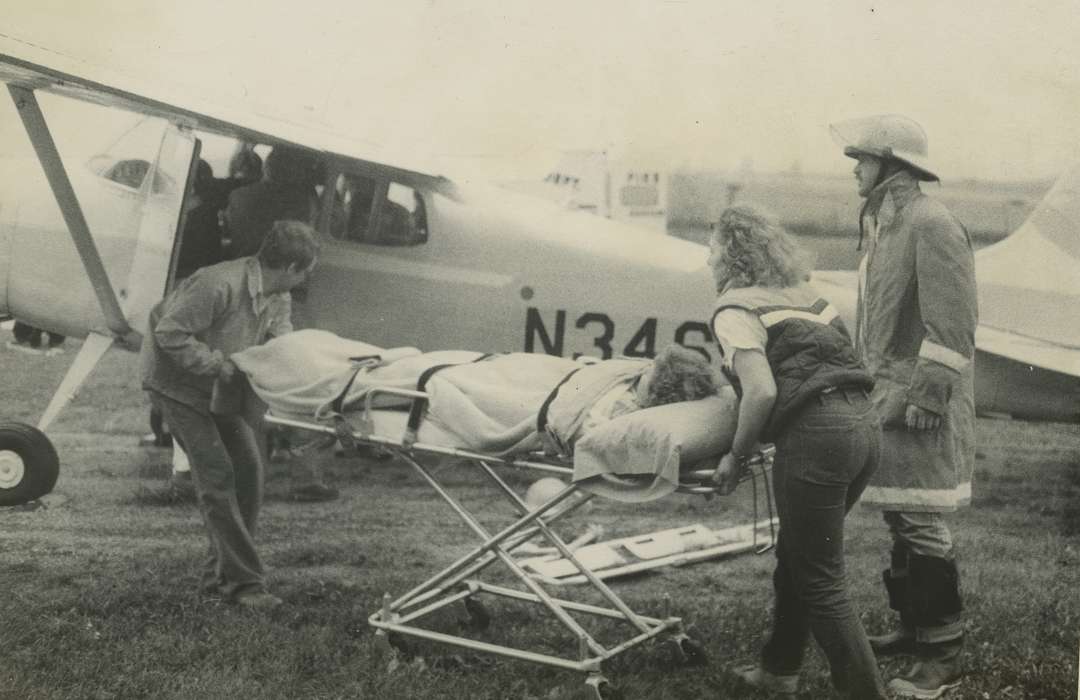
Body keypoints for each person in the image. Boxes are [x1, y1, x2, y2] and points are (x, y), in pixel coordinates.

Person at [707, 206, 886, 699]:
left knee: (821, 579)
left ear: (729, 256)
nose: (708, 258)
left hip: (819, 435)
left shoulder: (735, 309)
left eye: (712, 249)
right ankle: (779, 670)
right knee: (800, 552)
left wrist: (735, 456)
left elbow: (761, 391)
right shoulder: (810, 295)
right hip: (863, 426)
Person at [831, 114, 977, 698]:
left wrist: (930, 394)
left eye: (862, 161)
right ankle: (915, 627)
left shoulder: (931, 224)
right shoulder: (887, 225)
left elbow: (954, 322)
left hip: (920, 402)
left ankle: (942, 652)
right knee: (901, 513)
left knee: (921, 518)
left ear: (892, 166)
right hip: (889, 395)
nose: (855, 171)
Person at [140, 219, 318, 610]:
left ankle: (218, 577)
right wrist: (215, 364)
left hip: (219, 388)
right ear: (289, 268)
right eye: (304, 271)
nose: (304, 279)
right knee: (218, 475)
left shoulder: (277, 295)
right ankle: (244, 587)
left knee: (249, 472)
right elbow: (169, 333)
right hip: (177, 385)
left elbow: (280, 340)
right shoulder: (217, 283)